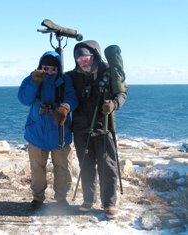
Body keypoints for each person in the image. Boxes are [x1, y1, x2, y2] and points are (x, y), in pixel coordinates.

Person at [67, 40, 127, 218]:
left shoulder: (109, 72)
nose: (83, 61)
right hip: (80, 129)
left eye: (85, 57)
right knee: (86, 165)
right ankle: (88, 199)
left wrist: (115, 104)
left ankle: (109, 203)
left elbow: (123, 93)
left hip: (104, 127)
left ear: (94, 56)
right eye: (79, 59)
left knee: (107, 166)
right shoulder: (72, 76)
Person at [18, 51, 78, 210]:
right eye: (46, 68)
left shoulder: (65, 81)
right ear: (40, 67)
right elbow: (24, 99)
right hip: (37, 133)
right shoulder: (32, 79)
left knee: (63, 168)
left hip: (60, 134)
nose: (49, 71)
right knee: (37, 169)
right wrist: (33, 82)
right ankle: (38, 198)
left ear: (58, 69)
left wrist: (65, 106)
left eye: (53, 69)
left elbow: (73, 98)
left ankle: (61, 198)